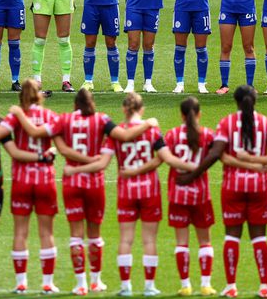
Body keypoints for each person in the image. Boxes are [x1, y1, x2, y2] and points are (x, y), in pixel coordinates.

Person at [9, 88, 157, 295]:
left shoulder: (65, 120)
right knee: (95, 235)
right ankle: (96, 281)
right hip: (94, 183)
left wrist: (18, 113)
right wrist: (148, 124)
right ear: (92, 102)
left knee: (76, 236)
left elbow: (45, 138)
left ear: (75, 105)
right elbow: (124, 135)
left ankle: (81, 284)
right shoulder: (101, 119)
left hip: (71, 183)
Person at [177, 85, 267, 298]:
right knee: (259, 238)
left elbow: (215, 154)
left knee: (232, 238)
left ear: (235, 101)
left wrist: (191, 176)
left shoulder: (226, 123)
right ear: (255, 101)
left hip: (232, 187)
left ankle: (231, 286)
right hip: (259, 187)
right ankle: (264, 286)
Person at [70, 92, 190, 296]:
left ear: (124, 109)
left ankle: (126, 287)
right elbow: (165, 158)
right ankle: (149, 287)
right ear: (142, 109)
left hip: (126, 191)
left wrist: (75, 169)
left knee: (126, 239)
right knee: (149, 240)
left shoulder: (116, 134)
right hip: (150, 190)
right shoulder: (152, 131)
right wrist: (194, 166)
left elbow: (102, 163)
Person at [0, 79, 60, 293]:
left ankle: (21, 283)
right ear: (41, 95)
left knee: (21, 232)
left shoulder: (14, 116)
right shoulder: (50, 116)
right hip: (45, 180)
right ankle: (47, 284)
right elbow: (60, 143)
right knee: (46, 233)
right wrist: (51, 152)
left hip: (22, 180)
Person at [160, 97, 218, 296]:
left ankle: (185, 286)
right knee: (205, 241)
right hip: (201, 195)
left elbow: (163, 159)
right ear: (199, 114)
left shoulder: (172, 135)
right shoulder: (208, 135)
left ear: (181, 115)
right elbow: (219, 154)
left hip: (178, 194)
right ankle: (206, 285)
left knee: (181, 242)